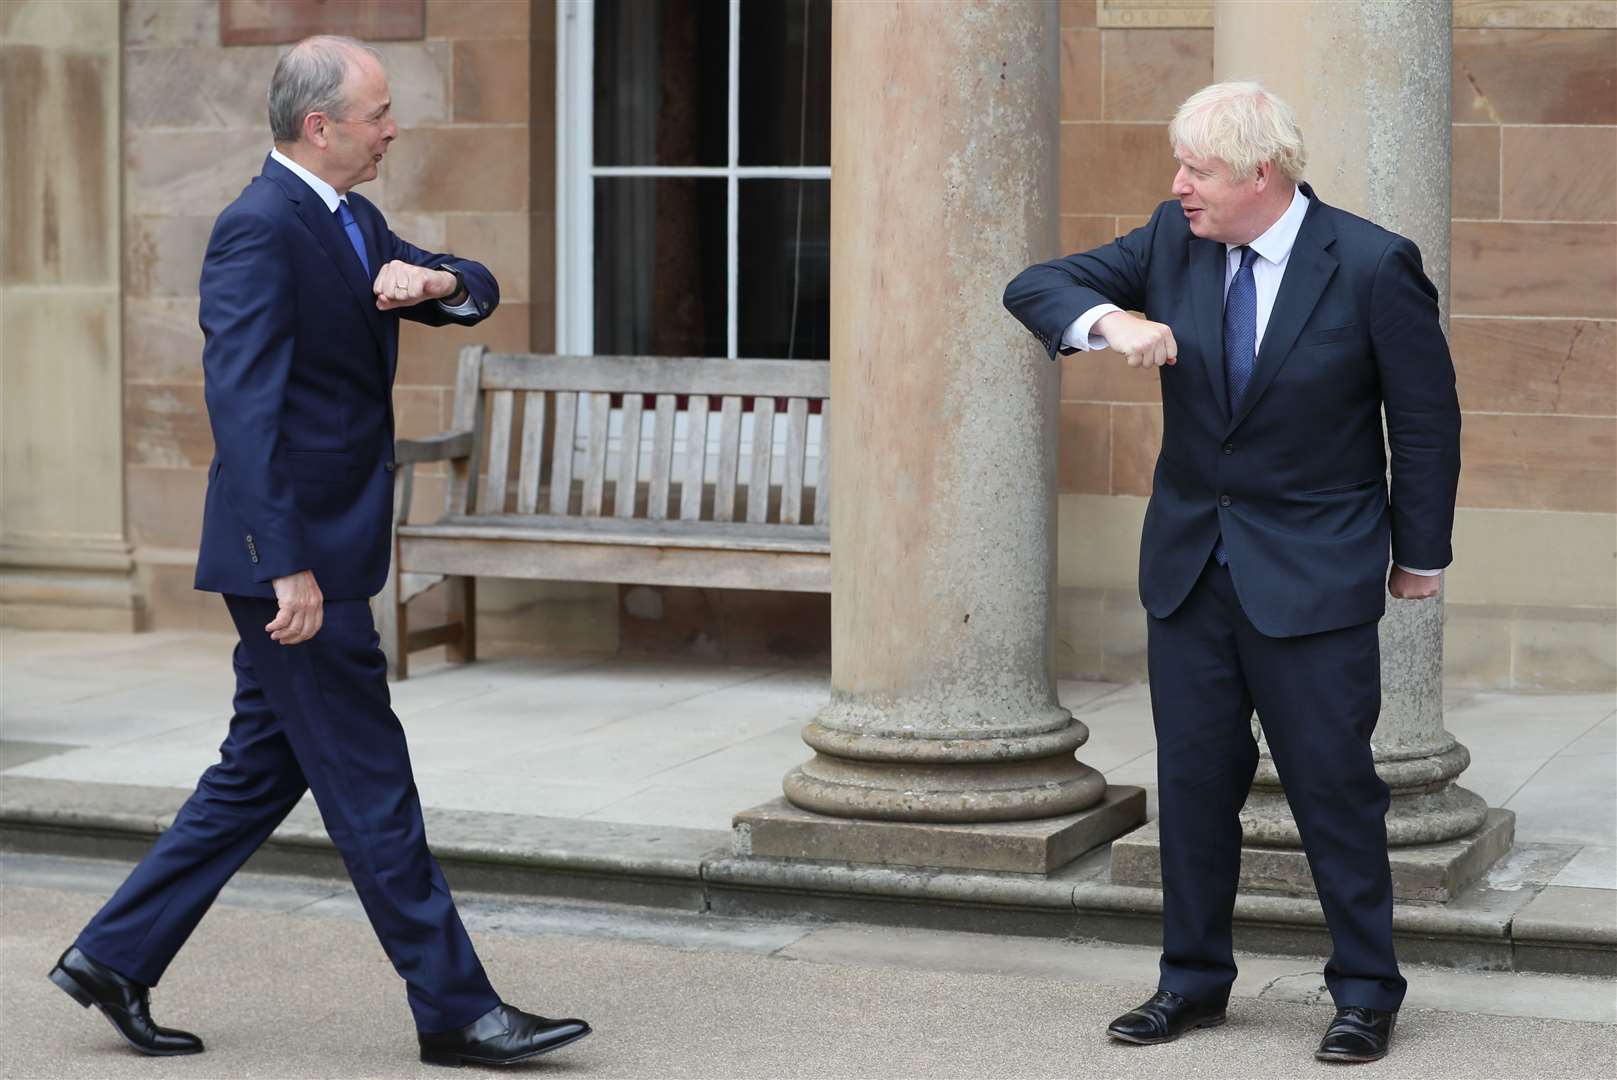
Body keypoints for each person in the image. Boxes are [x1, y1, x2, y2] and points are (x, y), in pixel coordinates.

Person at [47, 36, 591, 1069]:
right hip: (294, 562)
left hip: (323, 547)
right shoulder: (260, 228)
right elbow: (242, 409)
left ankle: (112, 958)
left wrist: (428, 282)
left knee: (257, 773)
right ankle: (456, 1011)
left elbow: (472, 281)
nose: (393, 131)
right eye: (379, 115)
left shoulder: (350, 217)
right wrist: (283, 563)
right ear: (321, 126)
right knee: (373, 784)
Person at [1004, 82, 1459, 1065]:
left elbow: (1423, 422)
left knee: (1334, 789)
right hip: (1192, 574)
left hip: (1316, 575)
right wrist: (1107, 323)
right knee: (1195, 783)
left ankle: (1367, 993)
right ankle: (1192, 982)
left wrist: (1420, 554)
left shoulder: (1374, 265)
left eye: (1197, 169)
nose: (1179, 186)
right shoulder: (1171, 243)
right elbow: (1034, 285)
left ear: (1264, 174)